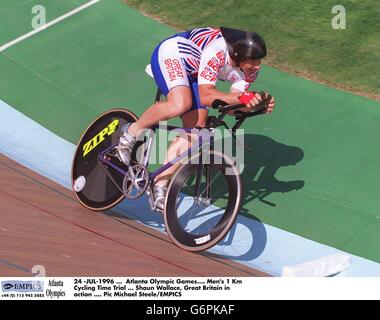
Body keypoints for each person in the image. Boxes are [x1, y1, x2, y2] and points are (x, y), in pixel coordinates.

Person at [117, 26, 276, 210]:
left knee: (197, 130)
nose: (258, 66)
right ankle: (130, 132)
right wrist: (243, 98)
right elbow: (207, 96)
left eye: (260, 61)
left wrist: (256, 104)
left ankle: (159, 184)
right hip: (174, 55)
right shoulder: (216, 51)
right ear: (238, 55)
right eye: (254, 61)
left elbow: (232, 107)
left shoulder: (250, 72)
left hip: (195, 75)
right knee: (180, 104)